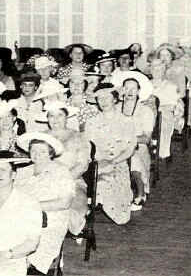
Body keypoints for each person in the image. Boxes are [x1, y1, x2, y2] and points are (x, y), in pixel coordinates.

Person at [14, 132, 74, 274]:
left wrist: (31, 207)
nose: (37, 154)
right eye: (33, 150)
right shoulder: (23, 171)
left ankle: (31, 269)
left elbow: (65, 202)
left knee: (33, 246)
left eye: (42, 151)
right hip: (20, 216)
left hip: (51, 219)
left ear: (50, 153)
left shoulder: (61, 171)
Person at [84, 83, 137, 224]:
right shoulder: (92, 122)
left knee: (122, 216)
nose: (104, 102)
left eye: (107, 98)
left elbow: (130, 148)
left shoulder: (126, 121)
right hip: (96, 164)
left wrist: (112, 162)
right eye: (100, 99)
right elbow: (86, 146)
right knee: (97, 183)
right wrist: (94, 163)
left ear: (114, 99)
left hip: (118, 163)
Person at [38, 101, 90, 234]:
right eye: (51, 116)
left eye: (60, 115)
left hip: (72, 181)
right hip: (42, 181)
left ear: (66, 117)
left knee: (73, 211)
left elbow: (82, 165)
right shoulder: (40, 136)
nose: (55, 120)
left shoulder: (78, 137)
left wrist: (62, 180)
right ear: (47, 118)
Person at [114, 72, 155, 211]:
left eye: (133, 89)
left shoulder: (145, 110)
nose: (130, 92)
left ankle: (140, 192)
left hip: (138, 147)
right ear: (121, 90)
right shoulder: (114, 108)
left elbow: (146, 138)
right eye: (126, 88)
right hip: (114, 145)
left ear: (138, 91)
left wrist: (129, 140)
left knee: (133, 156)